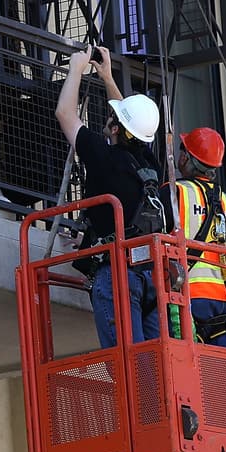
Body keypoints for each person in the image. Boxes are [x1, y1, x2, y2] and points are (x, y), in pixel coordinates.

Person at [55, 45, 167, 349]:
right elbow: (131, 122)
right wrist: (106, 76)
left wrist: (76, 69)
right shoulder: (150, 166)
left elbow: (64, 114)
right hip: (153, 277)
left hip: (118, 275)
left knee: (129, 362)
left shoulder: (103, 156)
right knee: (152, 363)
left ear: (116, 127)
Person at [172, 127, 226, 348]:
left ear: (190, 159)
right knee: (218, 375)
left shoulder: (177, 192)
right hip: (224, 299)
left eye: (183, 150)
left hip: (192, 294)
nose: (180, 155)